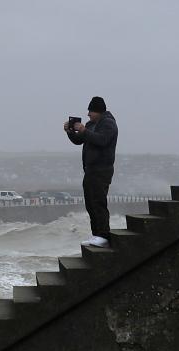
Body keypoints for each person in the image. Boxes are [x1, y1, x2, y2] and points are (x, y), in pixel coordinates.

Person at [64, 96, 118, 248]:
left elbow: (102, 140)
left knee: (98, 202)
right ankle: (97, 235)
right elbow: (79, 140)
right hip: (90, 170)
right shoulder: (91, 124)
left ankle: (104, 235)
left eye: (91, 111)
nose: (88, 114)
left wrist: (84, 130)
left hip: (102, 170)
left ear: (98, 111)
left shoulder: (108, 123)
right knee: (90, 203)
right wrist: (70, 131)